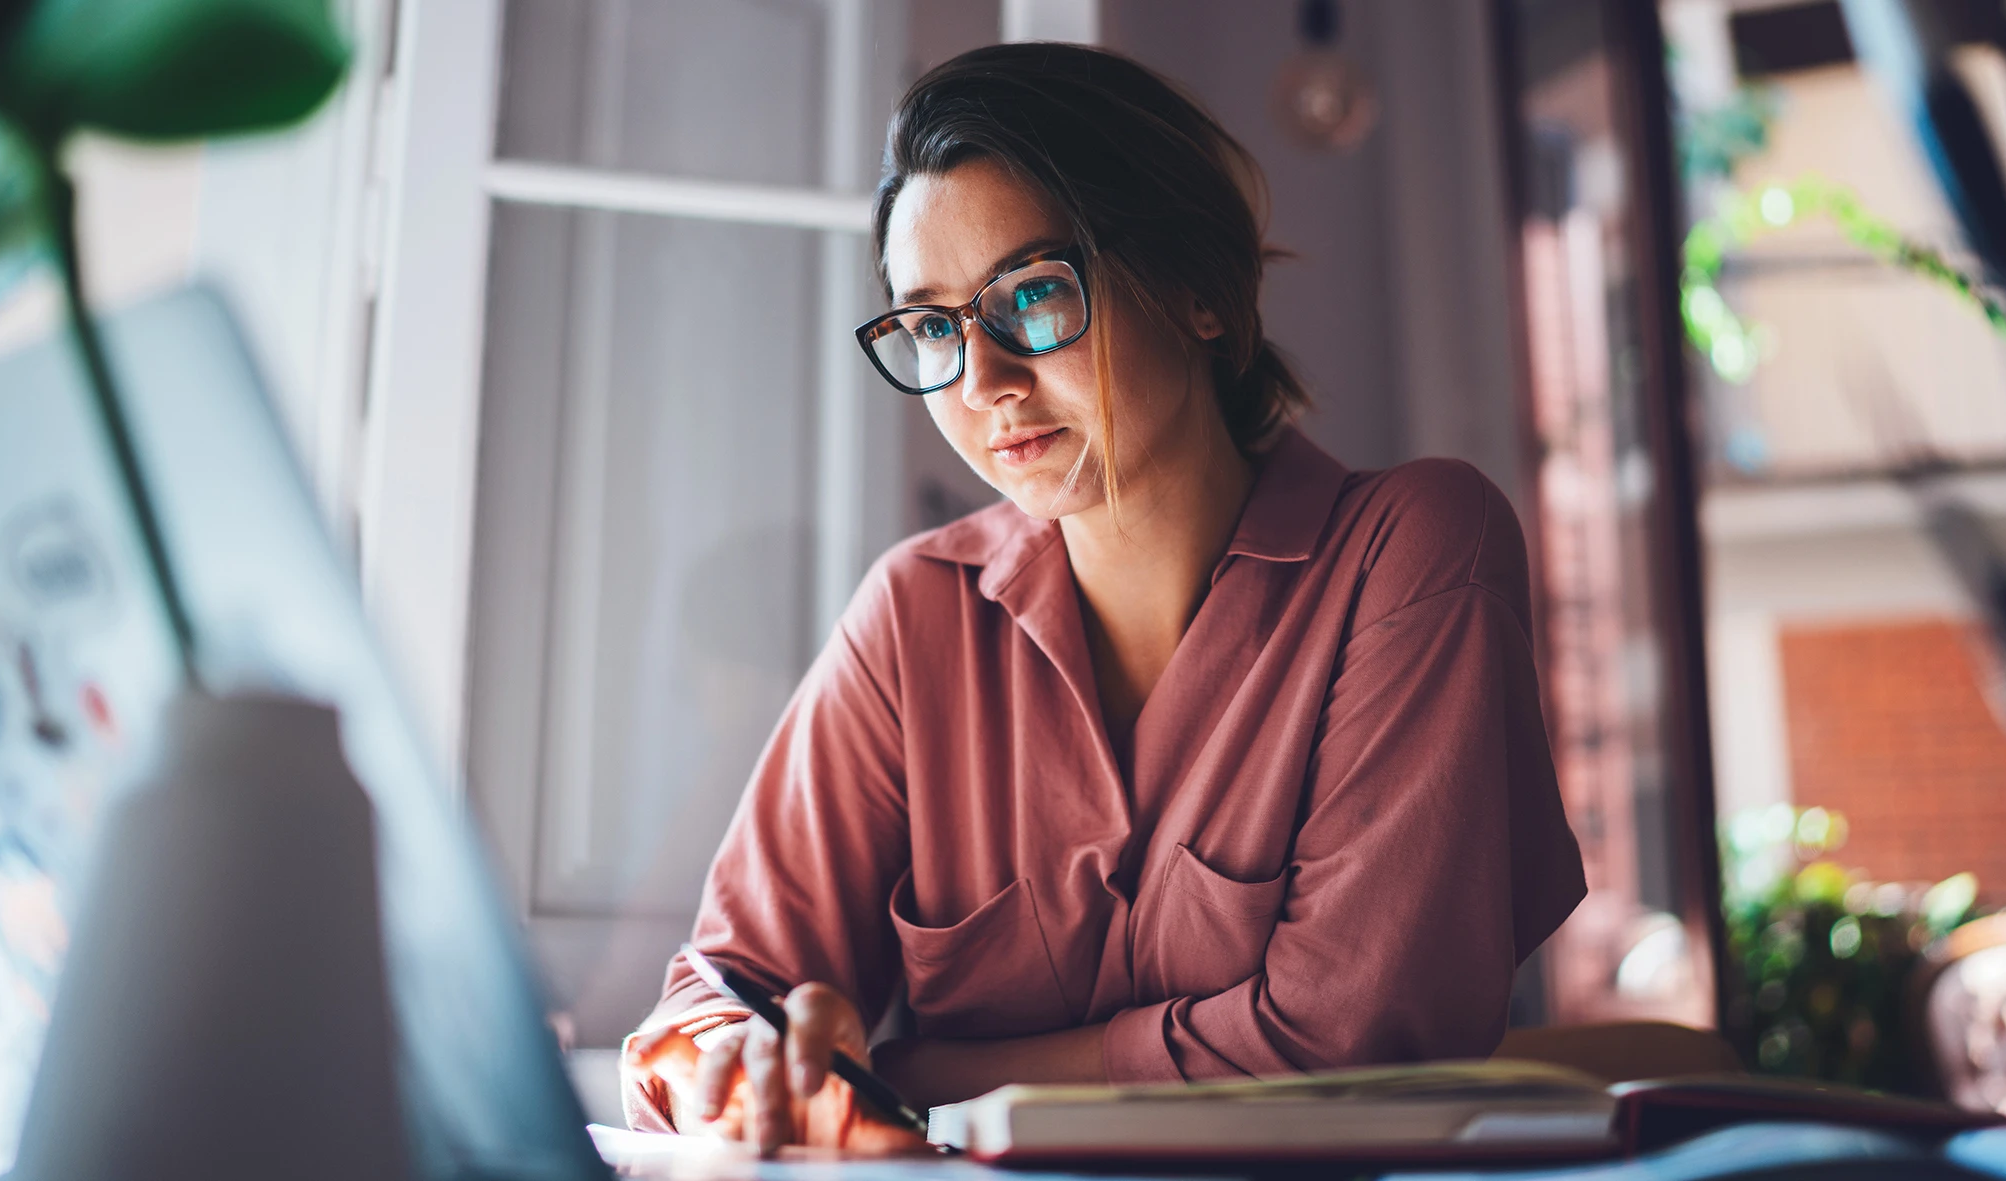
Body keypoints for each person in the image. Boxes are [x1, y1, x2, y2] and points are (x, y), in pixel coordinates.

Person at [621, 41, 1585, 1151]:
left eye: (1032, 295)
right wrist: (735, 1056)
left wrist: (923, 1072)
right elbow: (721, 987)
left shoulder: (1412, 551)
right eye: (934, 325)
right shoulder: (913, 620)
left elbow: (1348, 1037)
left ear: (1199, 291)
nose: (983, 383)